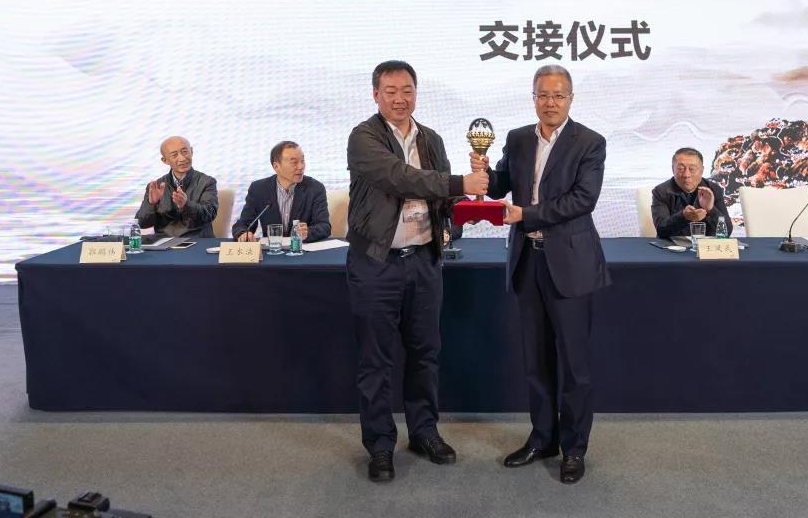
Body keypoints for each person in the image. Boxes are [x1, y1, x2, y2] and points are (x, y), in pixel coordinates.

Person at [346, 60, 489, 483]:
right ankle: (380, 445)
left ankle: (424, 431)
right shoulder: (363, 137)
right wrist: (460, 183)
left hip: (424, 262)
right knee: (376, 360)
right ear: (375, 94)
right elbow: (400, 178)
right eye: (390, 91)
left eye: (407, 90)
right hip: (377, 264)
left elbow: (442, 200)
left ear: (416, 93)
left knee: (425, 353)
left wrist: (471, 203)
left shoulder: (432, 139)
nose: (399, 99)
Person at [470, 64, 609, 484]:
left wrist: (525, 215)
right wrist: (482, 172)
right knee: (536, 361)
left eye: (558, 95)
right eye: (543, 95)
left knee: (575, 365)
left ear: (571, 98)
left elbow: (582, 200)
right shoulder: (517, 138)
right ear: (533, 98)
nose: (551, 103)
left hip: (570, 264)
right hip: (528, 261)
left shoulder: (590, 142)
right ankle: (542, 438)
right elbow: (500, 185)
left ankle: (574, 448)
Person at [232, 141, 331, 243]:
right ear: (276, 166)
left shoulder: (315, 188)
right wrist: (243, 233)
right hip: (272, 249)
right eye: (294, 162)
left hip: (302, 249)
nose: (301, 166)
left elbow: (324, 226)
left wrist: (308, 232)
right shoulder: (258, 189)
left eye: (302, 161)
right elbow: (243, 224)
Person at [135, 136, 218, 237]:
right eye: (174, 155)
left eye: (185, 152)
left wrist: (186, 205)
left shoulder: (207, 182)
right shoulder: (156, 186)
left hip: (198, 240)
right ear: (165, 160)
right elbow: (142, 224)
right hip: (165, 242)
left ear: (191, 151)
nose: (182, 158)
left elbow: (210, 215)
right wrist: (151, 204)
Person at [651, 147, 734, 239]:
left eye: (692, 169)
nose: (686, 175)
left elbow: (727, 232)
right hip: (671, 246)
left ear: (702, 170)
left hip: (705, 246)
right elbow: (661, 230)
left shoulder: (713, 190)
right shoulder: (661, 192)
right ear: (673, 169)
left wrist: (711, 209)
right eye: (680, 168)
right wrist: (683, 217)